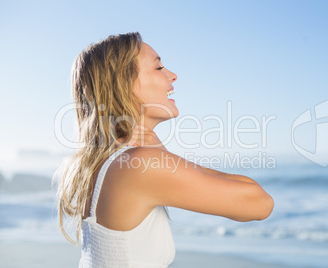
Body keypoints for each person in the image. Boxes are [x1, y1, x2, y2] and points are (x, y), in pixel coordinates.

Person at [55, 32, 274, 268]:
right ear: (124, 83)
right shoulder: (141, 165)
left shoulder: (105, 162)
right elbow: (260, 203)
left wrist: (157, 150)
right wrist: (159, 151)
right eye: (159, 67)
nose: (173, 75)